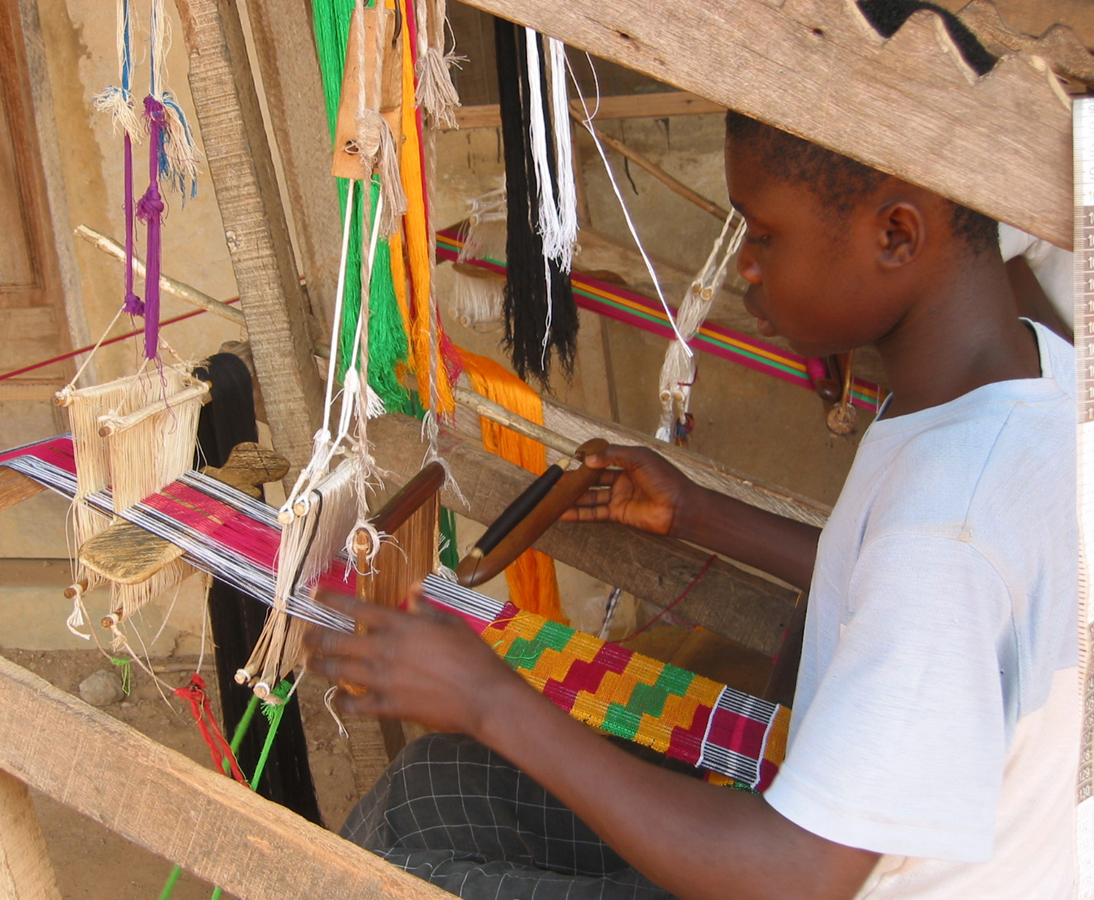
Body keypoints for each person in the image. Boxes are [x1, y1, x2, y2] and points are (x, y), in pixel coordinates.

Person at [304, 107, 1079, 900]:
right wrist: (702, 516)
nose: (743, 265)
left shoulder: (945, 539)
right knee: (435, 786)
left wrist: (487, 697)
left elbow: (793, 875)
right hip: (815, 826)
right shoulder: (1017, 372)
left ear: (897, 235)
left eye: (764, 236)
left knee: (392, 880)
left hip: (795, 870)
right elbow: (886, 583)